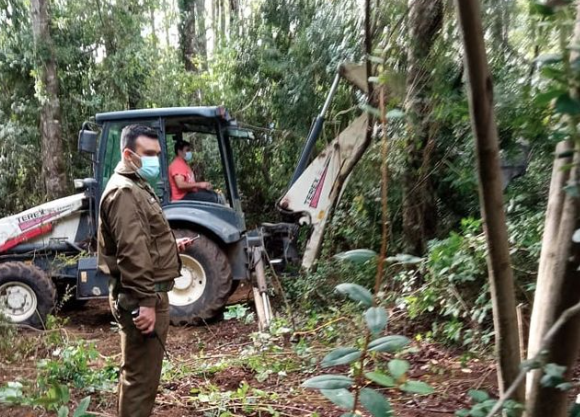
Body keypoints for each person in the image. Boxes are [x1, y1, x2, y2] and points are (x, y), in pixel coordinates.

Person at [97, 124, 193, 417]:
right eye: (148, 153)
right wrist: (146, 304)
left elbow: (141, 239)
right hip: (141, 297)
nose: (155, 160)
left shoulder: (136, 185)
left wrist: (170, 246)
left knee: (139, 377)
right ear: (128, 153)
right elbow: (131, 254)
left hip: (145, 294)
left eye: (158, 154)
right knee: (140, 382)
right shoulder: (124, 192)